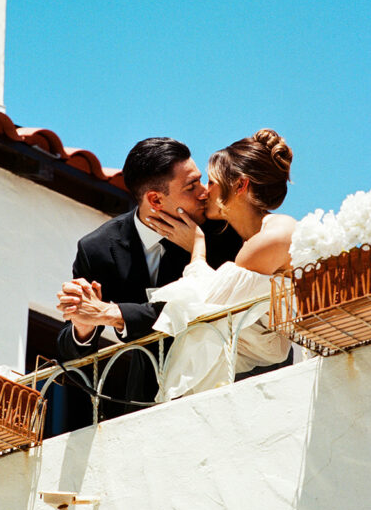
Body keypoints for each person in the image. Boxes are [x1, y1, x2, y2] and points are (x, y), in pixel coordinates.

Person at [56, 137, 241, 410]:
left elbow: (201, 310)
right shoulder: (97, 249)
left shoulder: (223, 233)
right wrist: (83, 325)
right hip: (145, 404)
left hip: (226, 385)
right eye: (191, 187)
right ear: (155, 199)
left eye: (200, 180)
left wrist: (111, 313)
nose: (205, 192)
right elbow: (70, 363)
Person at [145, 129, 296, 400]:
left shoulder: (269, 239)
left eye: (212, 182)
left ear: (240, 186)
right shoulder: (252, 241)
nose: (205, 192)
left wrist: (197, 248)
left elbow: (205, 312)